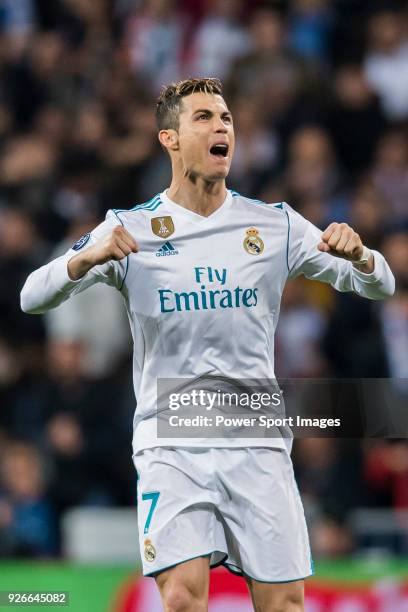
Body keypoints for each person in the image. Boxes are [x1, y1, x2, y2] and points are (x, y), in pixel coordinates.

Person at [21, 78, 395, 612]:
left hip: (257, 434)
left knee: (285, 603)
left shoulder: (275, 225)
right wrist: (83, 259)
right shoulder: (130, 229)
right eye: (204, 117)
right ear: (169, 138)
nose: (222, 127)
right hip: (171, 437)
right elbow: (31, 296)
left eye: (226, 119)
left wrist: (360, 256)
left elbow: (381, 283)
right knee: (181, 598)